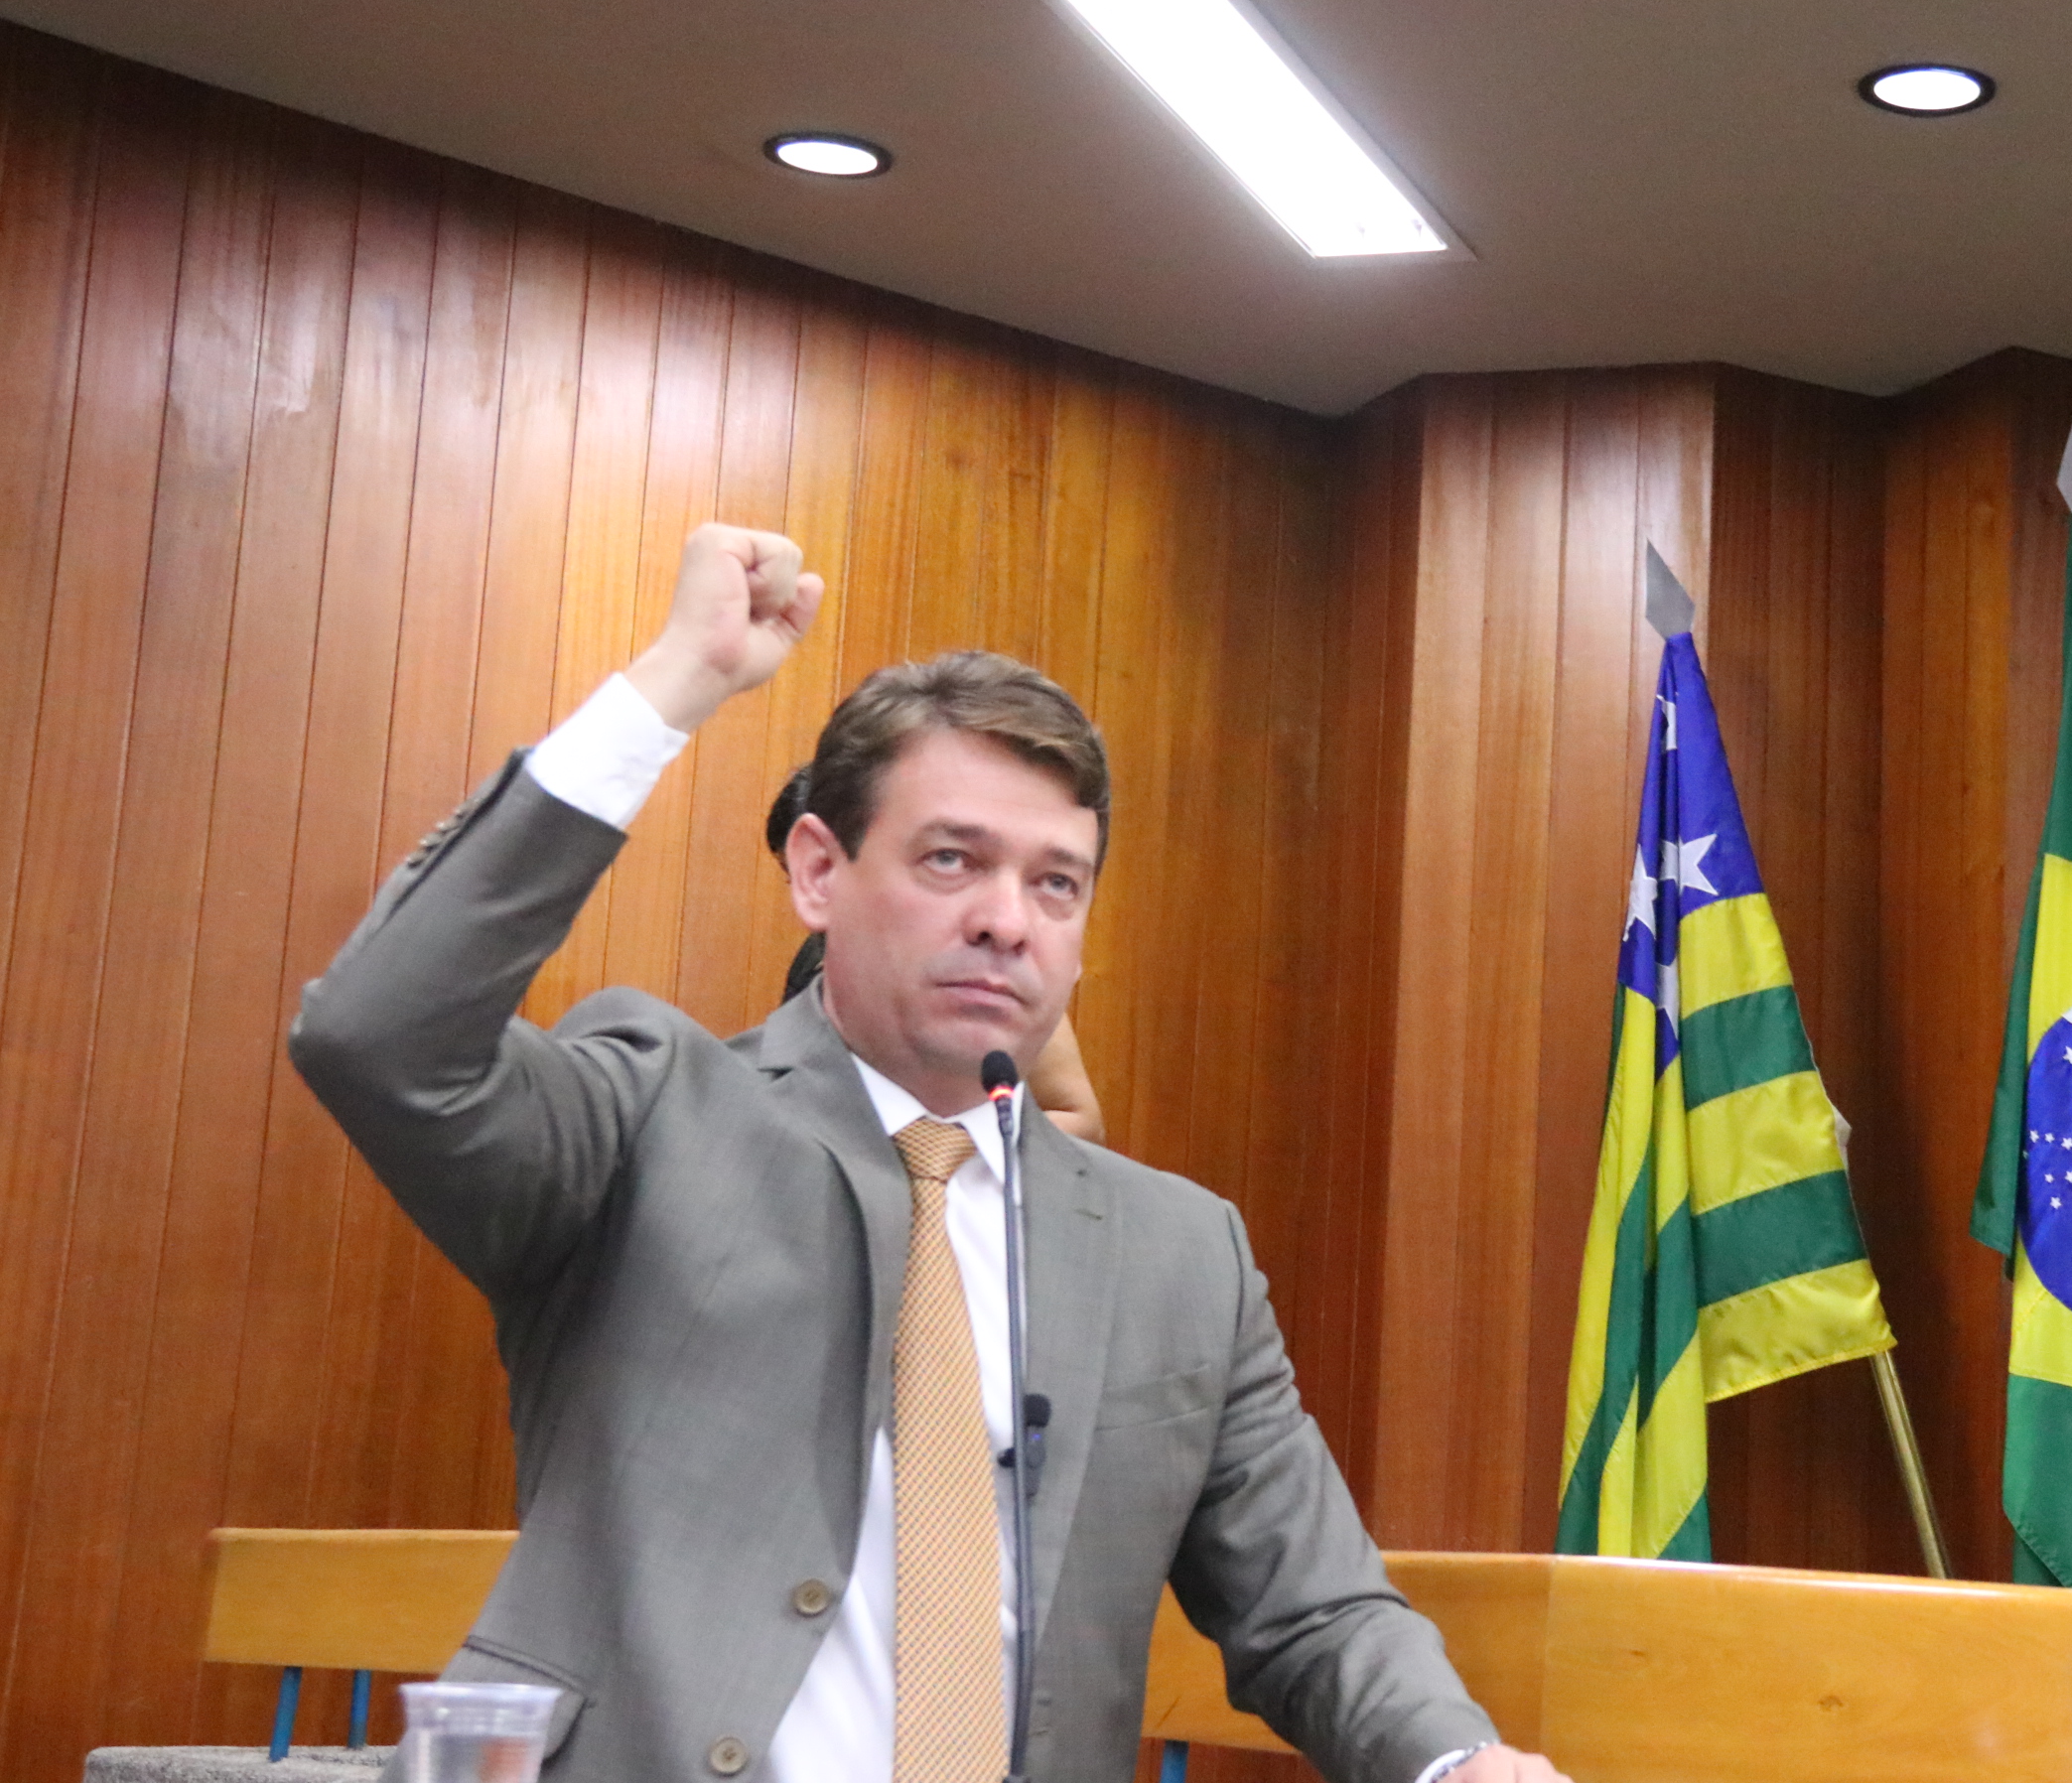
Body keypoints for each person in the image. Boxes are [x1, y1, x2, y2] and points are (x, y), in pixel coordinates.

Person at [292, 524, 1564, 1783]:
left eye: (1056, 884)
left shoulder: (1182, 1255)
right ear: (818, 871)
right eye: (953, 859)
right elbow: (380, 1034)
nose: (1008, 920)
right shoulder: (651, 1116)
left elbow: (1316, 1609)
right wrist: (678, 680)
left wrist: (1458, 1762)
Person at [767, 764, 1107, 1143]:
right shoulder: (813, 959)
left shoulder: (989, 975)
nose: (810, 887)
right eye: (793, 872)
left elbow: (1079, 1118)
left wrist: (939, 1152)